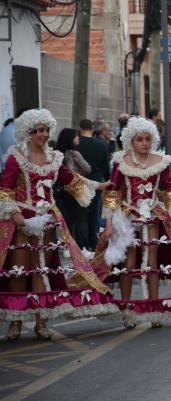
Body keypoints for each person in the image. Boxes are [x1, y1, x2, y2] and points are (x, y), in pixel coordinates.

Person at [93, 117, 171, 328]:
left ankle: (154, 309)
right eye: (139, 139)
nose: (144, 143)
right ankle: (127, 310)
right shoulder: (121, 162)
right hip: (128, 218)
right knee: (128, 263)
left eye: (147, 139)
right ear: (130, 141)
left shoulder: (161, 161)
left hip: (153, 215)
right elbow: (112, 194)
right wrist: (108, 224)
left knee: (151, 262)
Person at [0, 109, 117, 340]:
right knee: (19, 272)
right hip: (23, 220)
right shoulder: (16, 157)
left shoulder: (55, 158)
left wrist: (98, 186)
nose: (44, 134)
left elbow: (70, 178)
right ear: (28, 132)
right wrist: (16, 215)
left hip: (47, 220)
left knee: (41, 272)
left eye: (46, 130)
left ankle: (41, 322)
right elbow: (5, 190)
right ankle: (15, 322)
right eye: (39, 130)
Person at [55, 128, 91, 250]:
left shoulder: (56, 153)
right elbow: (87, 168)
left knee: (67, 219)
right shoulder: (74, 154)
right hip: (75, 189)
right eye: (76, 136)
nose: (78, 138)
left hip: (62, 191)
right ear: (70, 138)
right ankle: (80, 247)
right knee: (80, 218)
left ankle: (66, 245)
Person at [78, 119, 111, 251]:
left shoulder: (76, 144)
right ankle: (93, 241)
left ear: (80, 128)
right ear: (92, 129)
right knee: (94, 213)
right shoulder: (101, 144)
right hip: (97, 182)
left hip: (79, 183)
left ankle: (82, 243)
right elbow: (105, 167)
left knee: (81, 215)